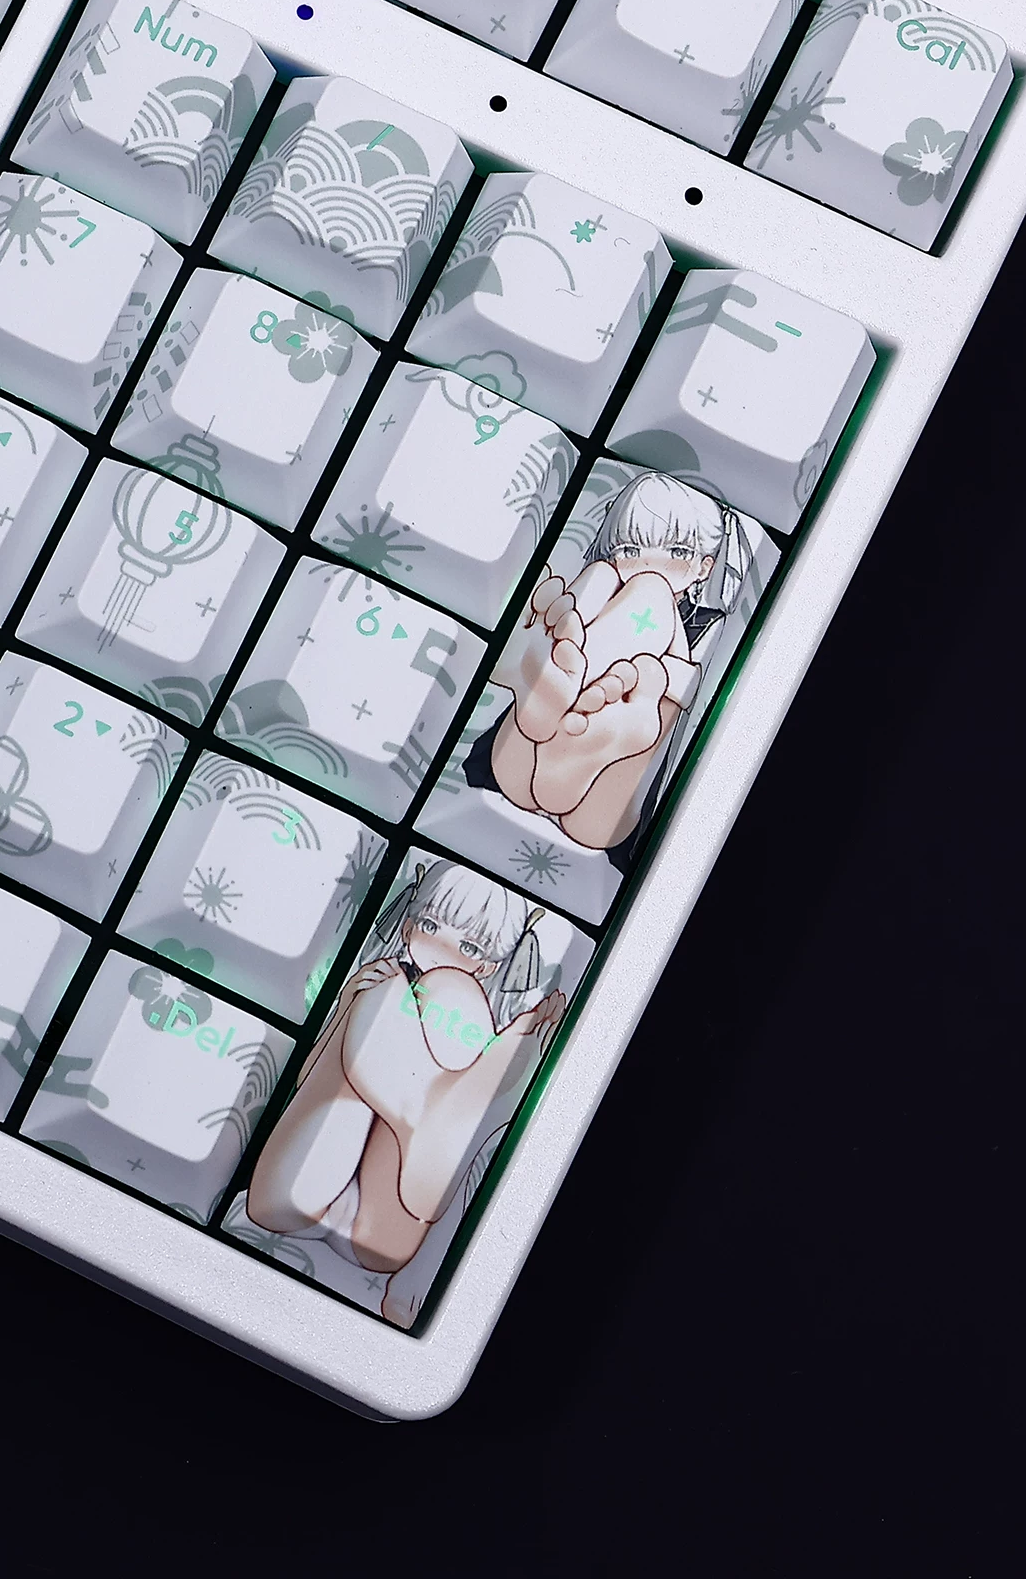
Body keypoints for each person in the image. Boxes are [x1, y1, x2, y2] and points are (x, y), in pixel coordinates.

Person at [244, 858, 565, 1301]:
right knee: (391, 992)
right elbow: (308, 1077)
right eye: (431, 925)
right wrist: (347, 1005)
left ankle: (431, 1110)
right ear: (410, 924)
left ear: (489, 967)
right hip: (320, 1200)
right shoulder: (385, 980)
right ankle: (434, 1113)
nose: (443, 948)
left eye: (470, 947)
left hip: (362, 1217)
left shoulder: (458, 1000)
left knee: (444, 995)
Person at [473, 468, 753, 857]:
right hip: (545, 766)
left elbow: (686, 687)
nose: (649, 563)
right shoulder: (604, 577)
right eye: (630, 550)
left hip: (558, 781)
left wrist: (657, 678)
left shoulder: (688, 616)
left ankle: (594, 709)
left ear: (705, 566)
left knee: (651, 634)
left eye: (677, 552)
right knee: (607, 588)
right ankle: (557, 692)